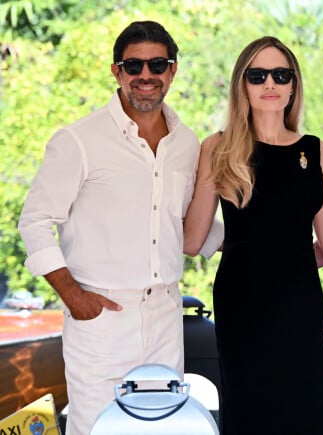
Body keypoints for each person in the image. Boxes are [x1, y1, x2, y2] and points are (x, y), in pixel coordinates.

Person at [18, 21, 221, 435]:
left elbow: (186, 225)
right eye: (134, 65)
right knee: (94, 428)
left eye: (157, 64)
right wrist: (74, 297)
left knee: (164, 429)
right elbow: (35, 222)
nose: (146, 75)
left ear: (173, 70)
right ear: (117, 71)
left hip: (166, 317)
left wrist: (264, 242)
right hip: (101, 321)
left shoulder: (186, 143)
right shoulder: (79, 140)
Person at [182, 36, 323, 434]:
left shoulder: (315, 150)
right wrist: (238, 243)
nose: (270, 84)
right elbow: (191, 240)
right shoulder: (218, 147)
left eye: (281, 75)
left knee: (304, 407)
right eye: (258, 75)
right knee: (249, 409)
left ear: (294, 84)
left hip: (300, 300)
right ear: (241, 84)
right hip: (242, 302)